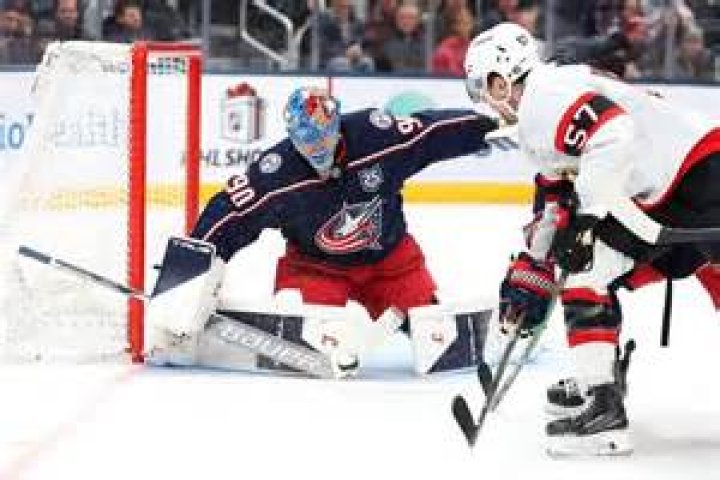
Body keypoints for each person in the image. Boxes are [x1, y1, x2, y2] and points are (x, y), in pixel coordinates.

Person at [463, 22, 720, 456]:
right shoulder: (550, 93)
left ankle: (604, 408)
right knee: (591, 267)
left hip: (695, 178)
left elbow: (613, 132)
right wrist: (535, 264)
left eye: (481, 87)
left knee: (586, 266)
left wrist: (588, 218)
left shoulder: (542, 100)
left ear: (500, 79)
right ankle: (599, 384)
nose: (483, 100)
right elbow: (554, 198)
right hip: (684, 180)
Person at [144, 86, 500, 377]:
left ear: (336, 124)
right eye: (305, 141)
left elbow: (431, 132)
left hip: (391, 264)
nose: (316, 149)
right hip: (316, 270)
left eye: (322, 138)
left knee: (434, 331)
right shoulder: (276, 173)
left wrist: (488, 126)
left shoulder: (375, 136)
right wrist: (188, 271)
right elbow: (228, 212)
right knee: (309, 331)